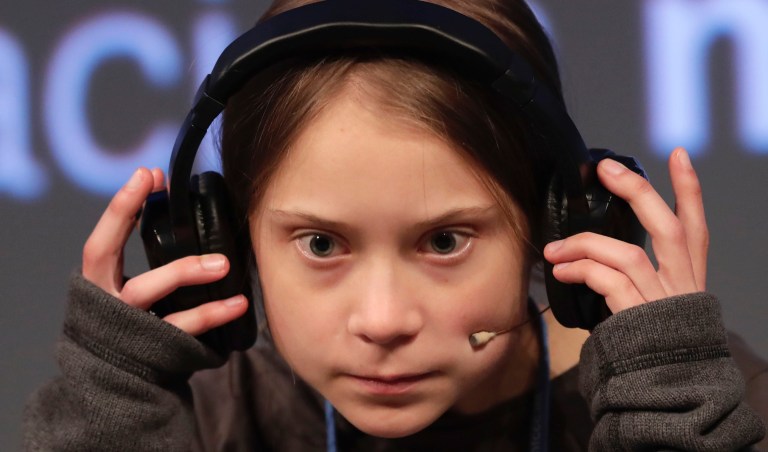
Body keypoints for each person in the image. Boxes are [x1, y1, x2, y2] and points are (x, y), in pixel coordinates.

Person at [24, 0, 766, 450]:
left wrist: (673, 416)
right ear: (233, 239)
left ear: (550, 227)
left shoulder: (703, 399)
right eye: (321, 244)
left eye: (444, 241)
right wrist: (110, 416)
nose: (382, 322)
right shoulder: (203, 424)